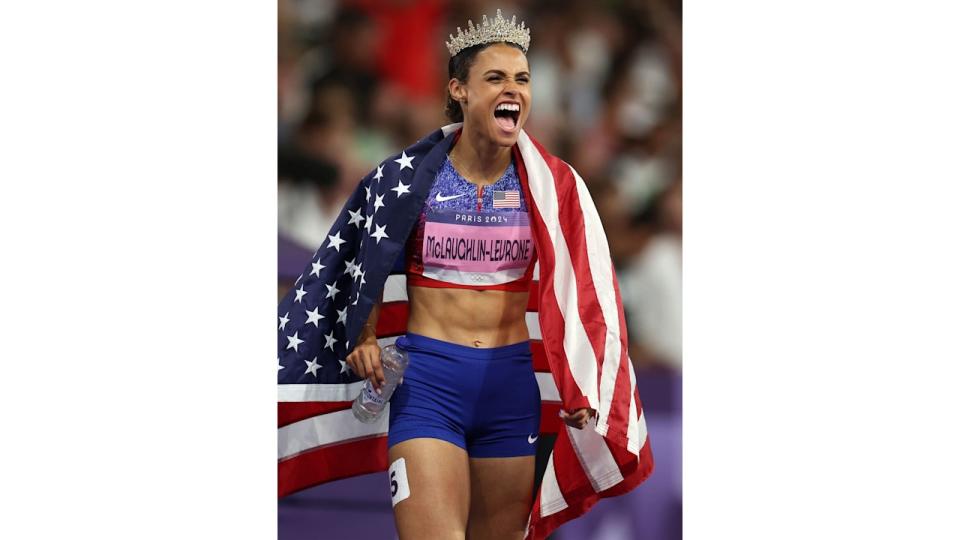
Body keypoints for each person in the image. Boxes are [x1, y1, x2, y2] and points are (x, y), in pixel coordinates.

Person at [343, 11, 596, 540]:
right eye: (496, 78)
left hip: (509, 390)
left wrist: (583, 377)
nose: (513, 89)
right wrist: (363, 335)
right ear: (458, 89)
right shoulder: (407, 179)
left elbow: (582, 288)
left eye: (522, 78)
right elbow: (365, 263)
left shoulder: (551, 187)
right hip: (430, 384)